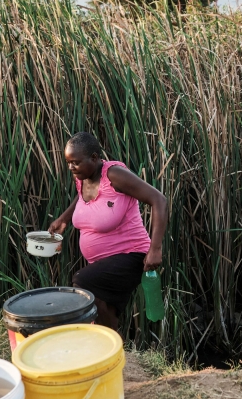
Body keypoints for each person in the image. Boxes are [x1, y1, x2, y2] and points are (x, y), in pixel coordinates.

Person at [48, 132, 168, 330]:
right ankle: (113, 352)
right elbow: (82, 197)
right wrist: (64, 218)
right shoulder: (83, 176)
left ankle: (111, 346)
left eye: (75, 162)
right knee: (103, 307)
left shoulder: (115, 175)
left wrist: (155, 249)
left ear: (94, 158)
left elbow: (159, 200)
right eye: (68, 162)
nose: (70, 168)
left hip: (132, 254)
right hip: (102, 260)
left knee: (82, 281)